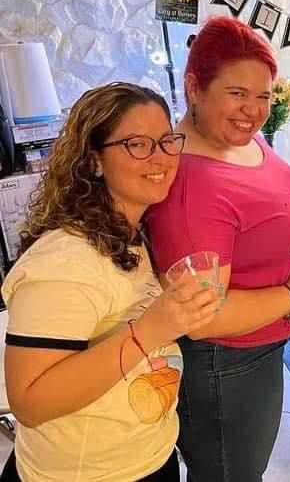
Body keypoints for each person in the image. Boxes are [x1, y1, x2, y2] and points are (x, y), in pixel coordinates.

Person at [146, 16, 290, 481]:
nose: (252, 111)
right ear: (195, 88)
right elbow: (204, 315)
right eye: (237, 94)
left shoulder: (236, 138)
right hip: (225, 364)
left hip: (259, 350)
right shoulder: (191, 185)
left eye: (263, 96)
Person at [1, 82, 222, 481]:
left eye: (167, 140)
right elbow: (29, 402)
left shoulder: (130, 233)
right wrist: (153, 328)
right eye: (137, 144)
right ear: (93, 161)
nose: (160, 158)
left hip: (148, 458)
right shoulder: (63, 261)